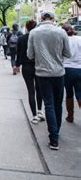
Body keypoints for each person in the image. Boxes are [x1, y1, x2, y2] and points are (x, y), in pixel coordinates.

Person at [27, 11, 71, 150]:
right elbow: (68, 53)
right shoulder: (61, 32)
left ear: (41, 18)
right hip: (59, 73)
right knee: (57, 104)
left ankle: (54, 139)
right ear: (53, 19)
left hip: (42, 73)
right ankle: (55, 133)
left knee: (49, 105)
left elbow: (30, 55)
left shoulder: (34, 33)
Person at [15, 19, 44, 124]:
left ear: (26, 28)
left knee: (31, 91)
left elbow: (19, 53)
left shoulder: (21, 39)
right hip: (38, 66)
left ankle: (34, 115)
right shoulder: (39, 38)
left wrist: (17, 65)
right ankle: (40, 111)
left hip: (26, 67)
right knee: (39, 89)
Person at [61, 24, 81, 123]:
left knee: (69, 93)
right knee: (80, 93)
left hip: (66, 69)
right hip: (79, 68)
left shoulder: (63, 41)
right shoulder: (79, 39)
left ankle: (70, 116)